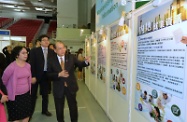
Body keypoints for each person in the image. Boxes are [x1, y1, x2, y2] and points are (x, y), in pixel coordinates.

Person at [47, 41, 90, 122]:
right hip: (58, 88)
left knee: (73, 107)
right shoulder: (51, 60)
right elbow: (48, 75)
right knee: (59, 109)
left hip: (71, 86)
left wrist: (86, 62)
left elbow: (80, 64)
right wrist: (59, 74)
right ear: (55, 50)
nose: (63, 50)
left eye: (63, 47)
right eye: (60, 48)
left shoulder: (71, 57)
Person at [2, 46, 32, 122]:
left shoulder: (28, 66)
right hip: (14, 97)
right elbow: (3, 80)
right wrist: (9, 89)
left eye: (26, 53)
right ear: (17, 55)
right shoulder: (11, 67)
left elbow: (28, 78)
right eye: (23, 53)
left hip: (26, 95)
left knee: (27, 115)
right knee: (16, 118)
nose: (26, 55)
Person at [30, 34, 53, 117]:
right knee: (33, 95)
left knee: (45, 94)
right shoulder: (34, 51)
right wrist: (33, 76)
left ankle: (44, 110)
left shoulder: (51, 52)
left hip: (46, 76)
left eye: (47, 40)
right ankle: (30, 112)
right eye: (44, 40)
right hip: (35, 76)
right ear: (40, 42)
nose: (46, 41)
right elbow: (32, 64)